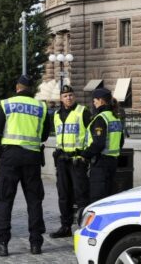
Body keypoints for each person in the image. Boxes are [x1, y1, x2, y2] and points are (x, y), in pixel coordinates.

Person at [0, 75, 51, 257]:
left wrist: (3, 148)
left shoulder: (7, 104)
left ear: (17, 87)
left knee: (4, 200)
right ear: (33, 89)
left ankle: (2, 244)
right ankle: (36, 244)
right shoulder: (41, 107)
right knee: (34, 200)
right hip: (32, 158)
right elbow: (44, 135)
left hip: (10, 158)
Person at [49, 84, 91, 239]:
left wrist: (86, 155)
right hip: (61, 160)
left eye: (71, 95)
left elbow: (91, 134)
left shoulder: (83, 112)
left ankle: (84, 227)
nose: (69, 98)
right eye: (65, 96)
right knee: (63, 195)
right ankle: (65, 226)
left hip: (77, 160)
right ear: (61, 98)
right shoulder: (56, 114)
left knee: (81, 195)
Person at [81, 88, 124, 204]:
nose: (93, 103)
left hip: (101, 163)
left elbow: (98, 144)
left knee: (97, 199)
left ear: (101, 101)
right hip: (113, 162)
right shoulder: (115, 117)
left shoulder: (101, 118)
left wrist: (84, 154)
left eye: (94, 100)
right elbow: (121, 141)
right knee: (109, 198)